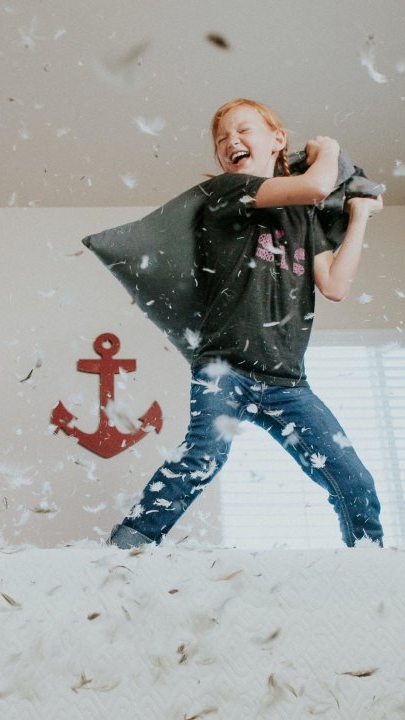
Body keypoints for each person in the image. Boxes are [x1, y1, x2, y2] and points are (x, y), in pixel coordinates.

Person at [109, 99, 385, 549]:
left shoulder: (306, 217)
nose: (230, 142)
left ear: (278, 140)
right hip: (225, 369)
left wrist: (357, 217)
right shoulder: (228, 190)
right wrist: (329, 149)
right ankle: (122, 551)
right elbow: (317, 183)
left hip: (288, 382)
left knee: (353, 480)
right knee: (202, 456)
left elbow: (334, 284)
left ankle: (374, 564)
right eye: (221, 139)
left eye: (243, 131)